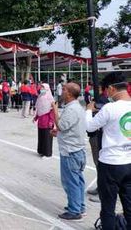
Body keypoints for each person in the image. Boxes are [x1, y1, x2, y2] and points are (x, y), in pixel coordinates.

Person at [85, 72, 131, 229]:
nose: (106, 94)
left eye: (106, 90)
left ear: (112, 88)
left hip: (111, 163)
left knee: (108, 207)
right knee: (129, 204)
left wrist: (88, 111)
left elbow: (89, 127)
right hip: (129, 161)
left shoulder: (110, 108)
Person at [51, 83, 87, 221]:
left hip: (70, 152)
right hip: (76, 150)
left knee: (70, 182)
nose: (61, 91)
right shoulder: (77, 107)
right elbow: (70, 129)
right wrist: (58, 134)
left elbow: (61, 125)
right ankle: (79, 206)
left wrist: (54, 111)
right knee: (77, 181)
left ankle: (74, 210)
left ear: (70, 94)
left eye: (64, 89)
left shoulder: (72, 109)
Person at [33, 83, 55, 158]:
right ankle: (41, 151)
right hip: (41, 122)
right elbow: (39, 110)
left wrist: (51, 121)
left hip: (47, 122)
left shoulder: (50, 99)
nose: (41, 89)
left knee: (47, 138)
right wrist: (35, 117)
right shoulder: (40, 97)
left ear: (47, 89)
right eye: (41, 87)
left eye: (43, 87)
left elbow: (52, 112)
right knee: (41, 137)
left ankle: (47, 153)